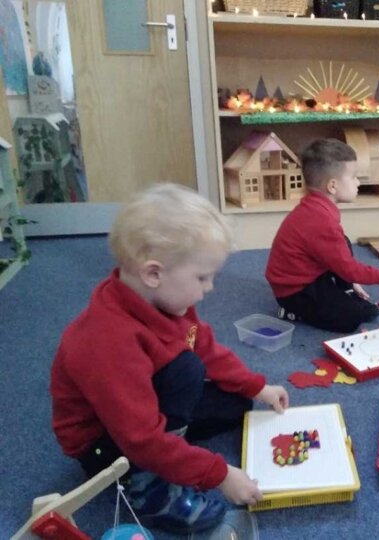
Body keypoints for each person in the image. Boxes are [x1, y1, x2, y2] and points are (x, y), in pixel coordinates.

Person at [50, 183, 290, 534]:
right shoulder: (108, 342)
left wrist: (257, 387)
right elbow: (140, 439)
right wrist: (219, 474)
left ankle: (174, 448)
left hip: (144, 400)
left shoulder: (167, 303)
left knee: (236, 403)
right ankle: (147, 487)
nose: (210, 288)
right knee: (185, 370)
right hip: (106, 445)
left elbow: (207, 348)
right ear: (153, 273)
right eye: (202, 277)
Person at [265, 138, 379, 333]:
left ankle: (343, 289)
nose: (358, 182)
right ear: (332, 186)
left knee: (342, 244)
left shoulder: (317, 206)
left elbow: (337, 255)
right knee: (351, 320)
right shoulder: (320, 220)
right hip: (293, 290)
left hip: (308, 271)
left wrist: (350, 281)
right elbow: (349, 268)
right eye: (354, 177)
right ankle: (292, 312)